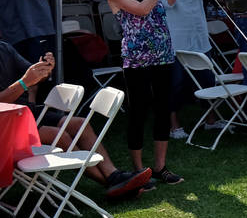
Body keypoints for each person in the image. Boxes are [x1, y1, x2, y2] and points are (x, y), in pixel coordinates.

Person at [0, 42, 151, 199]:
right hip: (5, 125)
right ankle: (114, 184)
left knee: (79, 124)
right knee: (59, 136)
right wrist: (24, 82)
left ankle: (114, 175)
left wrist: (43, 69)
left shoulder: (4, 47)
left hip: (23, 113)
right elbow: (19, 86)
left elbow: (32, 78)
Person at [106, 0, 196, 186]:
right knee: (138, 112)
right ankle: (139, 170)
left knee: (163, 111)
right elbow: (142, 9)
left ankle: (160, 167)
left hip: (163, 56)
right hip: (137, 62)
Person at [149, 0, 217, 139]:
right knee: (174, 85)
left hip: (198, 36)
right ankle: (173, 125)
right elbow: (169, 5)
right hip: (175, 39)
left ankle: (210, 120)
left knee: (206, 79)